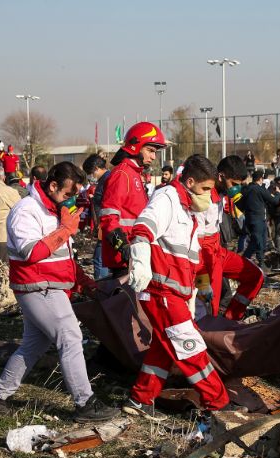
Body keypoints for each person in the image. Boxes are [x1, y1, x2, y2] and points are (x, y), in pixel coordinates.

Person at [0, 161, 118, 423]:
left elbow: (62, 257)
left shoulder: (54, 210)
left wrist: (84, 282)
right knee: (70, 336)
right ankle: (85, 403)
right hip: (37, 286)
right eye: (67, 195)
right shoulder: (26, 210)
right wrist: (65, 229)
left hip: (49, 286)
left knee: (34, 345)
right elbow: (32, 253)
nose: (70, 201)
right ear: (53, 185)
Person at [123, 154, 240, 420]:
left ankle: (139, 399)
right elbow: (142, 229)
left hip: (174, 293)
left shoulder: (188, 211)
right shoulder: (167, 200)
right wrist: (140, 263)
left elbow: (191, 259)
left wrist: (202, 287)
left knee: (164, 349)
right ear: (189, 182)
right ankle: (218, 403)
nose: (209, 196)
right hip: (160, 292)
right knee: (192, 350)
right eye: (205, 189)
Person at [195, 157, 264, 321]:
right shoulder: (202, 197)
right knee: (209, 304)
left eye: (239, 185)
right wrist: (202, 280)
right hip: (202, 257)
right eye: (233, 184)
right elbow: (194, 244)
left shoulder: (221, 196)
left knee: (256, 276)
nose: (235, 189)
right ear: (221, 176)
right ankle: (210, 335)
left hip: (217, 250)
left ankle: (231, 318)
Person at [100, 122, 164, 277]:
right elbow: (108, 218)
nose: (153, 156)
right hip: (125, 259)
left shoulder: (134, 174)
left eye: (155, 152)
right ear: (136, 146)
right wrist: (123, 248)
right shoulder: (122, 174)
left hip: (135, 255)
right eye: (150, 150)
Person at [238, 170, 280, 265]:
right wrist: (277, 193)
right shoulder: (259, 189)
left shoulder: (246, 189)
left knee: (255, 241)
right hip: (258, 219)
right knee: (259, 242)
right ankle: (260, 263)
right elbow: (274, 201)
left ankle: (246, 259)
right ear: (260, 179)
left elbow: (239, 204)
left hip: (249, 218)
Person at [82, 154, 111, 280]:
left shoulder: (107, 180)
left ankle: (103, 290)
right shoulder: (105, 180)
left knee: (99, 260)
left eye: (90, 173)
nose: (90, 177)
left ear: (96, 168)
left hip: (107, 227)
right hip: (105, 226)